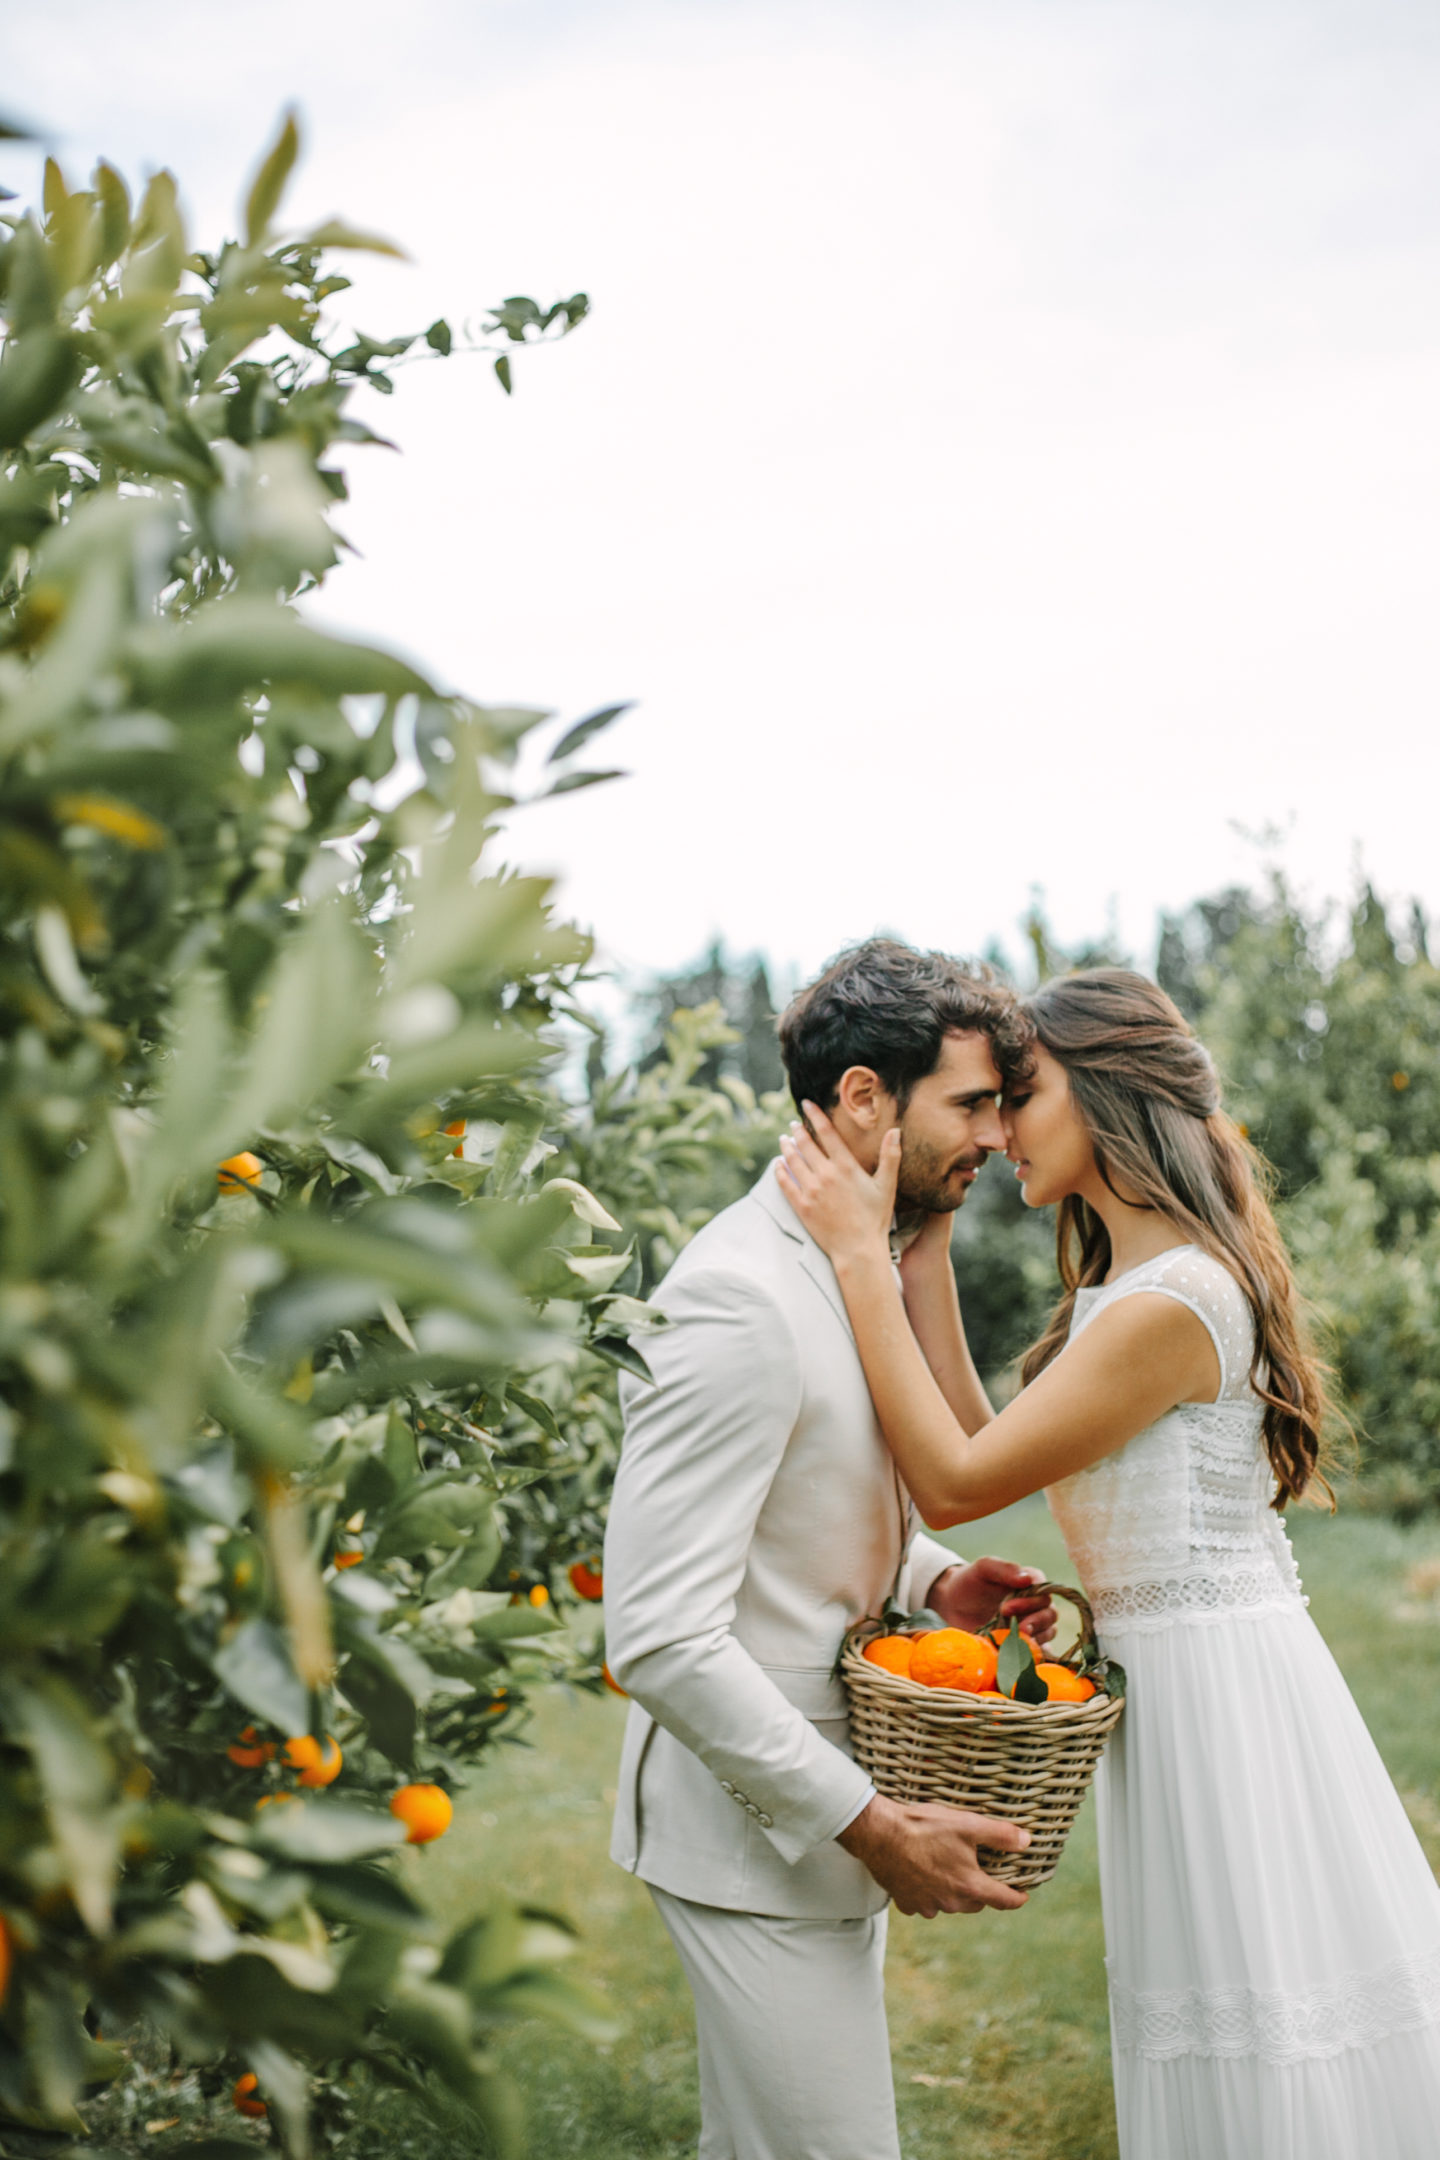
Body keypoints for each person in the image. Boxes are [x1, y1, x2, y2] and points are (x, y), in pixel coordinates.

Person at [775, 966, 1440, 2160]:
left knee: (1256, 2020)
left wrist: (860, 1261)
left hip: (1226, 1708)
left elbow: (957, 1483)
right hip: (1183, 1694)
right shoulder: (1124, 1290)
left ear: (1099, 1090)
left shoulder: (1172, 1306)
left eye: (1018, 1095)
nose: (997, 1127)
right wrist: (921, 1259)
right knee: (1215, 2018)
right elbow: (983, 1443)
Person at [603, 939, 1058, 2160]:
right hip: (758, 1836)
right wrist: (873, 1825)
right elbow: (657, 1633)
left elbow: (800, 1510)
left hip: (817, 1822)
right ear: (864, 1098)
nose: (994, 1138)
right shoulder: (739, 1297)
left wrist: (932, 1581)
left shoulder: (839, 1270)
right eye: (970, 1104)